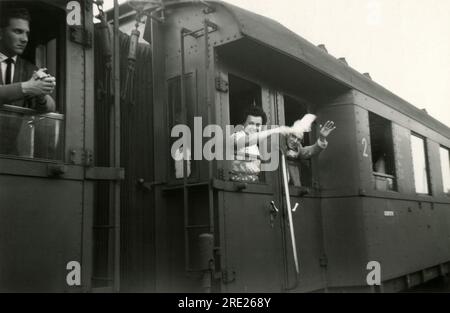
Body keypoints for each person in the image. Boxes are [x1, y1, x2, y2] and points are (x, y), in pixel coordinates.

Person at [0, 7, 56, 155]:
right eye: (18, 31)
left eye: (27, 33)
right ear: (0, 33)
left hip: (10, 156)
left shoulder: (29, 68)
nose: (25, 39)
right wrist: (28, 87)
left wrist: (42, 94)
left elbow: (50, 107)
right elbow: (26, 88)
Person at [229, 106, 291, 182]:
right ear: (243, 124)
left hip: (254, 183)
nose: (254, 127)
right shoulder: (236, 136)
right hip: (238, 184)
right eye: (251, 124)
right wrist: (273, 131)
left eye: (258, 125)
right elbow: (247, 140)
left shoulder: (255, 145)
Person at [282, 120, 336, 186]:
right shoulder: (278, 145)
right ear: (288, 134)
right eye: (293, 136)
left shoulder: (298, 149)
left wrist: (322, 137)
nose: (295, 141)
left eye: (299, 139)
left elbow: (312, 150)